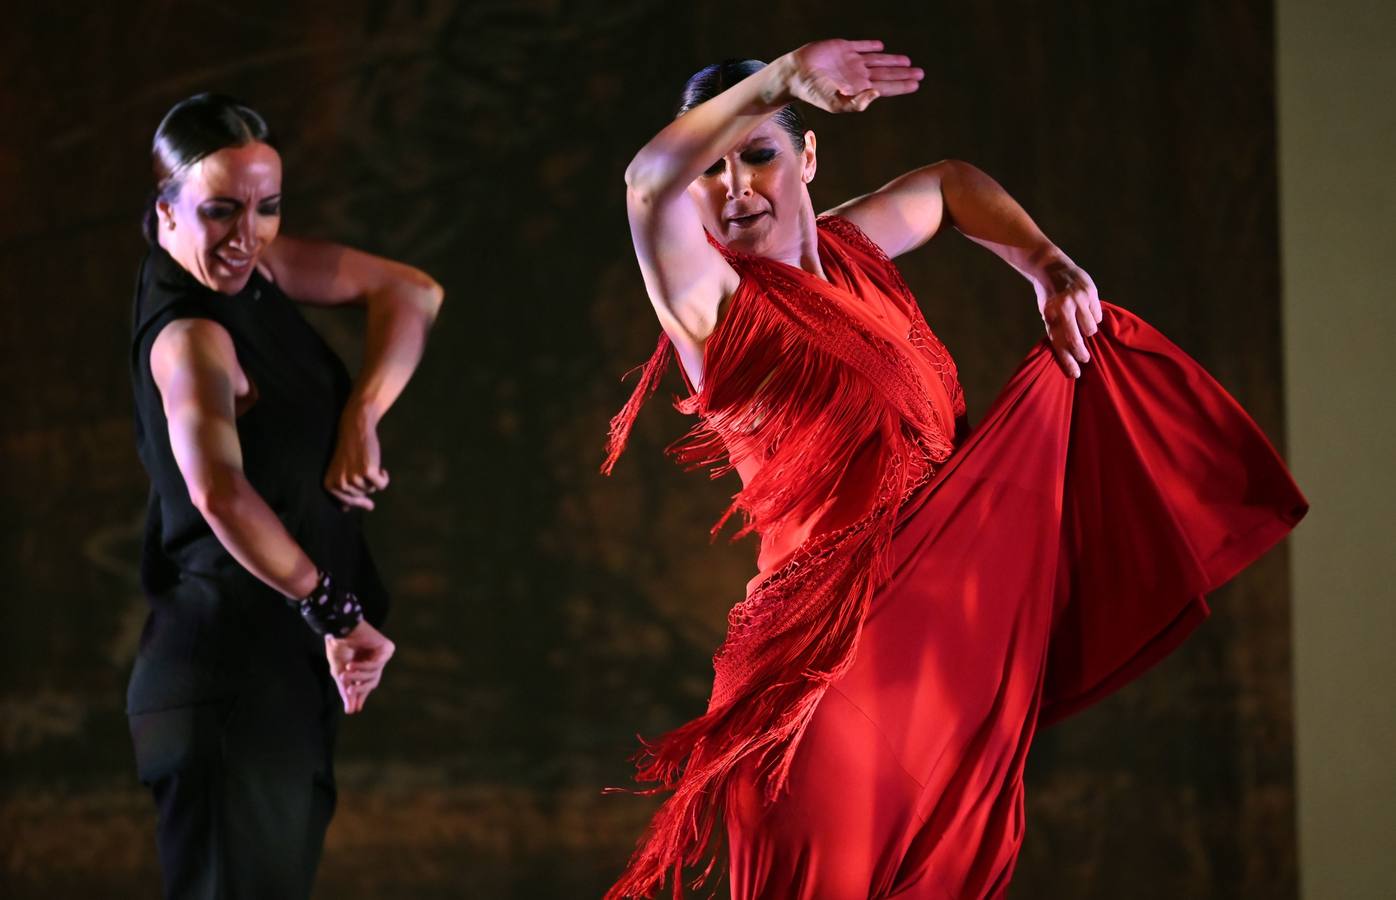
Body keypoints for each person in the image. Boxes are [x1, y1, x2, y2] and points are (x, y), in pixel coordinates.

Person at [601, 40, 1306, 899]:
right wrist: (782, 80)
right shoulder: (711, 301)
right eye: (711, 169)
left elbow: (948, 184)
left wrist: (1046, 264)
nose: (739, 186)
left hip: (943, 682)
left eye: (760, 154)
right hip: (821, 686)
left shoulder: (856, 253)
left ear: (808, 155)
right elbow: (646, 184)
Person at [126, 93, 443, 899]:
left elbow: (412, 292)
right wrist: (334, 612)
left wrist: (360, 417)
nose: (248, 234)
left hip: (276, 674)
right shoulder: (191, 335)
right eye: (222, 211)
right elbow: (217, 492)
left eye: (267, 208)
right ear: (166, 213)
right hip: (227, 677)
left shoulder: (254, 271)